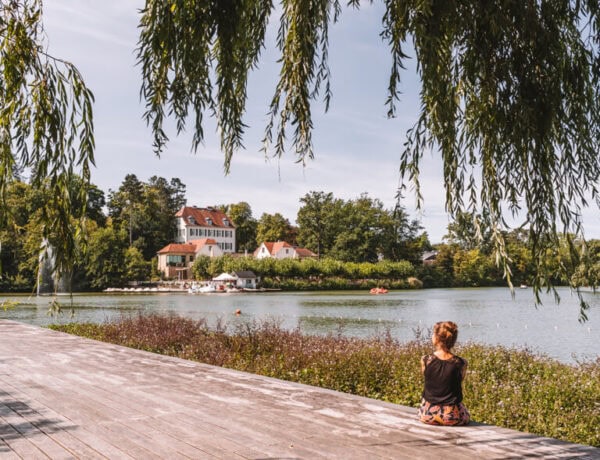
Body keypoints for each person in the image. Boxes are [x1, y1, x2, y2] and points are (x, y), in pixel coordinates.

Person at [418, 321, 470, 426]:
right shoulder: (462, 363)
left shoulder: (425, 360)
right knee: (466, 412)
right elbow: (458, 382)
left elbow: (429, 380)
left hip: (428, 415)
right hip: (452, 416)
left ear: (436, 339)